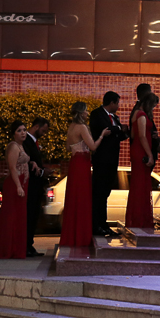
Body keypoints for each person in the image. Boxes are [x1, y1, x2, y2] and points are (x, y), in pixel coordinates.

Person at [59, 102, 109, 247]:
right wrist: (102, 135)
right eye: (86, 111)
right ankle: (81, 236)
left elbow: (68, 148)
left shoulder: (71, 127)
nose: (87, 113)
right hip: (82, 163)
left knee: (74, 197)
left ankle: (73, 234)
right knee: (82, 198)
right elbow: (93, 146)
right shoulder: (81, 127)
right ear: (81, 113)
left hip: (75, 162)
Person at [88, 91, 126, 237]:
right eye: (117, 103)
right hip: (101, 160)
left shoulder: (115, 117)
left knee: (105, 193)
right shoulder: (97, 114)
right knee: (99, 192)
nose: (118, 106)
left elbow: (118, 134)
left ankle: (103, 224)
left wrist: (124, 132)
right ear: (112, 102)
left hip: (112, 160)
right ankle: (96, 224)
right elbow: (106, 129)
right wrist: (118, 129)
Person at [0, 121, 29, 259]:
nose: (23, 133)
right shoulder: (13, 146)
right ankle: (9, 248)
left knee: (19, 217)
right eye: (19, 130)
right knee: (12, 217)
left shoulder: (21, 146)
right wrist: (18, 186)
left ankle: (16, 248)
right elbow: (12, 167)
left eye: (24, 130)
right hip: (14, 184)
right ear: (13, 133)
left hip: (22, 183)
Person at [125, 92, 159, 230]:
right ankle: (140, 219)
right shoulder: (142, 115)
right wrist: (150, 154)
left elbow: (133, 135)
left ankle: (136, 217)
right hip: (141, 151)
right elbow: (142, 136)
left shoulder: (135, 114)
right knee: (141, 185)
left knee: (138, 184)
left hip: (137, 150)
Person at [22, 116, 49, 256]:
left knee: (34, 216)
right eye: (43, 131)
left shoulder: (33, 142)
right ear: (37, 126)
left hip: (36, 185)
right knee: (29, 215)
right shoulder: (26, 141)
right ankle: (26, 245)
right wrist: (43, 171)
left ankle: (29, 244)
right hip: (31, 184)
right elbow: (27, 162)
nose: (44, 134)